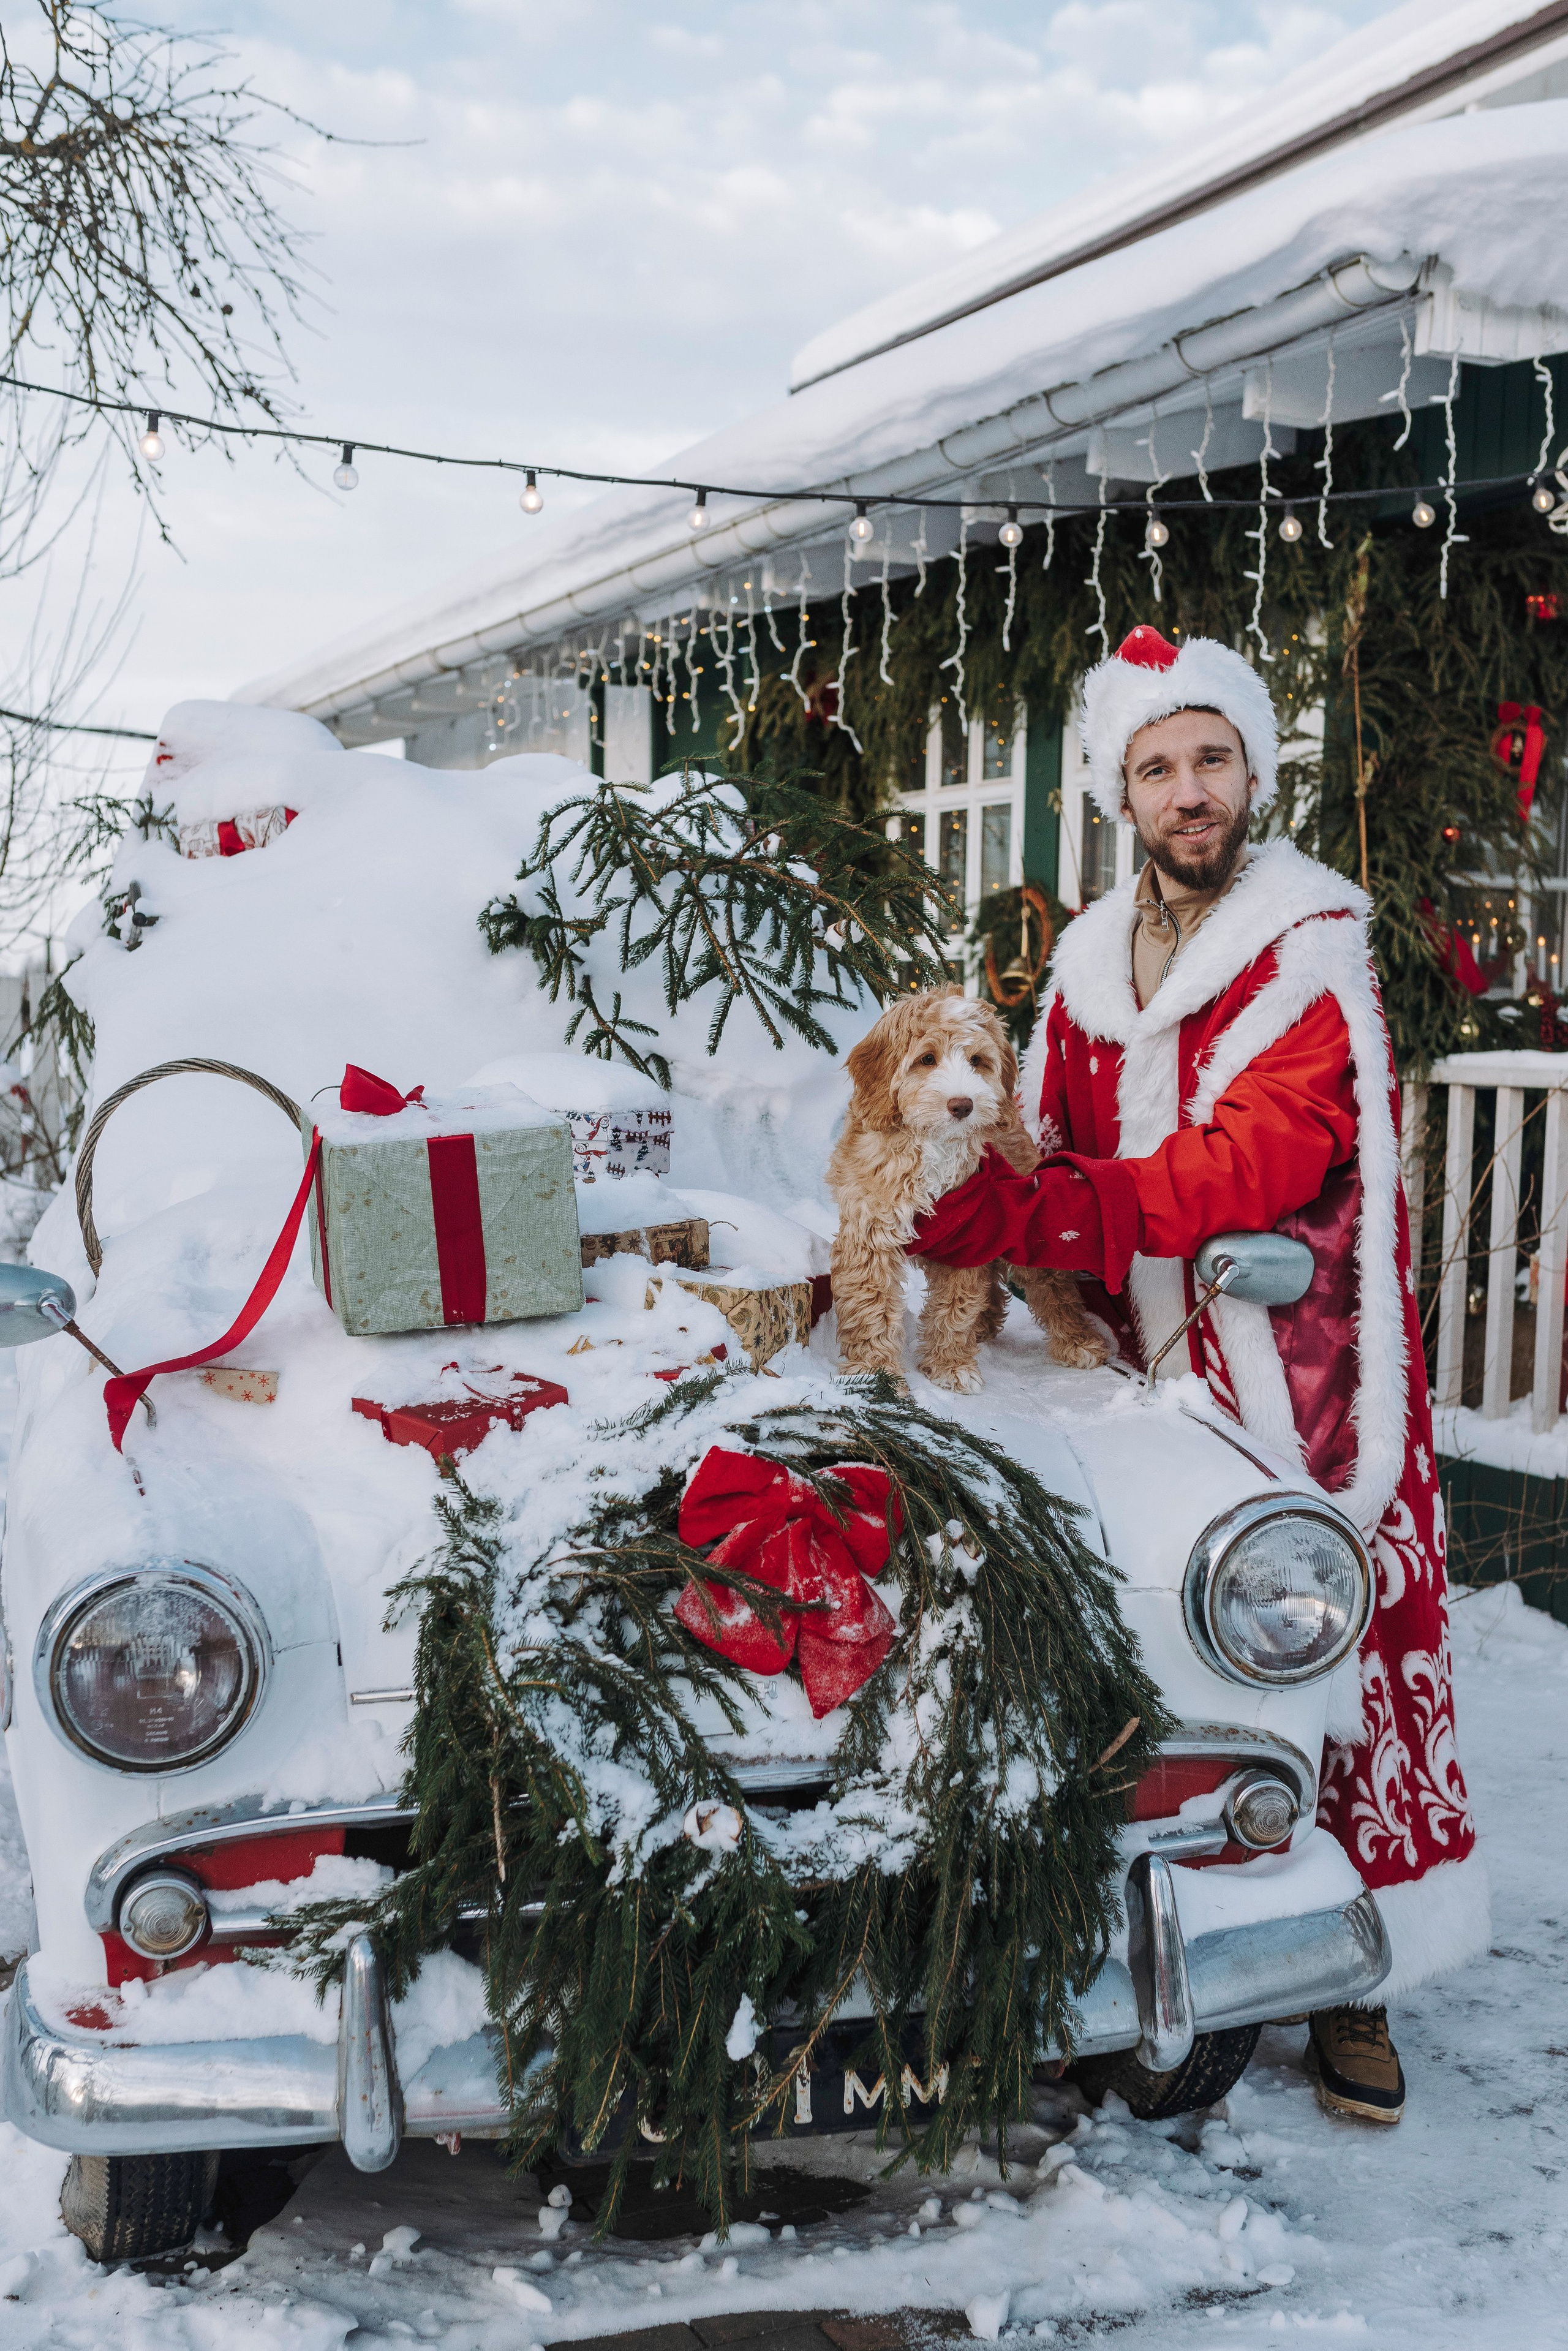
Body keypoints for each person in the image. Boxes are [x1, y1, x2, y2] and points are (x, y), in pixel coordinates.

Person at [907, 622, 1488, 2126]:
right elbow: (1039, 1127)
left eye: (1210, 759)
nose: (1187, 790)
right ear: (1119, 790)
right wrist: (960, 1180)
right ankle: (1137, 1926)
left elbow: (1259, 1155)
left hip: (1302, 1364)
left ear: (1251, 770)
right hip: (1131, 1366)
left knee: (1318, 1633)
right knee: (1146, 1633)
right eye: (1157, 765)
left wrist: (1044, 1208)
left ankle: (1349, 1970)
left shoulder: (1309, 943)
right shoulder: (1089, 960)